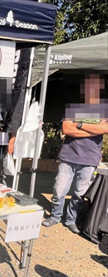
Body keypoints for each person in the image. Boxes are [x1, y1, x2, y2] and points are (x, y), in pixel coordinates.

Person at [43, 74, 108, 233]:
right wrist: (92, 130)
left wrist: (79, 125)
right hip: (68, 156)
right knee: (59, 190)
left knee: (80, 193)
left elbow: (105, 129)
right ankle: (55, 216)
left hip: (90, 158)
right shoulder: (74, 108)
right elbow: (66, 129)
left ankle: (71, 220)